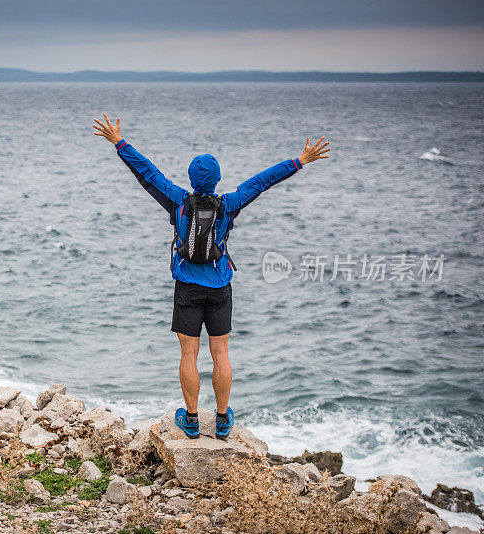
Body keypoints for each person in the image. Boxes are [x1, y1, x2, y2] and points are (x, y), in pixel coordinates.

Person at [92, 113, 330, 439]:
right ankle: (221, 419)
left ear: (191, 179)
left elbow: (148, 173)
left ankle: (190, 419)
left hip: (187, 287)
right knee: (221, 353)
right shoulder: (230, 203)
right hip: (220, 286)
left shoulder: (177, 200)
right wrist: (300, 160)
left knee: (189, 354)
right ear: (217, 179)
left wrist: (119, 143)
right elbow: (262, 181)